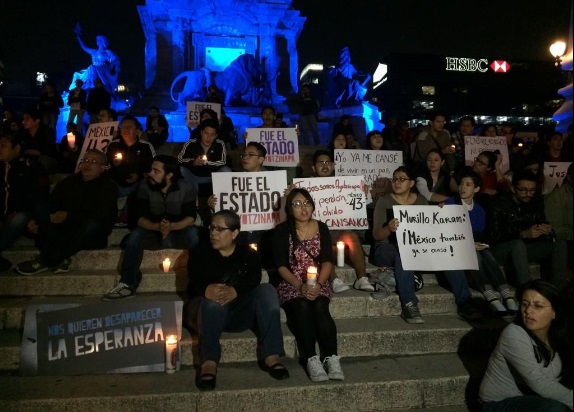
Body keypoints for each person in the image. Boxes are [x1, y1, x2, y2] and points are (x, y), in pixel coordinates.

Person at [185, 210, 289, 391]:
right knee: (212, 301)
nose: (213, 233)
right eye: (211, 228)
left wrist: (235, 291)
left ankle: (271, 354)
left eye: (219, 229)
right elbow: (194, 278)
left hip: (239, 313)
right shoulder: (200, 252)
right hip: (209, 313)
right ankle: (209, 362)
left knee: (267, 290)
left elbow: (255, 277)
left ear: (234, 233)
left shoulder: (247, 253)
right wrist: (206, 289)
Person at [372, 166, 481, 323]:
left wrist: (440, 213)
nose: (397, 182)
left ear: (411, 184)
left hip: (418, 247)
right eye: (395, 179)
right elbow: (376, 235)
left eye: (402, 179)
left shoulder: (421, 200)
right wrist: (389, 228)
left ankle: (465, 301)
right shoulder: (384, 201)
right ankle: (409, 304)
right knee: (404, 255)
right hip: (387, 249)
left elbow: (429, 227)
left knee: (448, 253)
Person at [102, 155, 199, 300]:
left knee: (194, 233)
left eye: (156, 171)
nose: (151, 174)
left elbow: (190, 218)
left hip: (178, 232)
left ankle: (198, 283)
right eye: (151, 170)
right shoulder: (145, 185)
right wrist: (157, 226)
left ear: (169, 175)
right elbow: (140, 219)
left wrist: (171, 226)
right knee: (135, 235)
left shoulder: (185, 187)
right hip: (153, 233)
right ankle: (127, 283)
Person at [273, 188, 344, 382]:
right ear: (289, 209)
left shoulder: (322, 227)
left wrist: (319, 284)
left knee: (320, 305)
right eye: (296, 204)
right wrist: (299, 286)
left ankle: (331, 357)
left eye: (306, 203)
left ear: (312, 205)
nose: (302, 208)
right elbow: (280, 265)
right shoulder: (282, 230)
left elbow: (327, 261)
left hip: (318, 281)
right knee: (302, 307)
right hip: (291, 282)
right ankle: (311, 358)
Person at [15, 149, 117, 275]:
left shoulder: (108, 187)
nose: (87, 164)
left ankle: (46, 260)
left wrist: (69, 216)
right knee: (41, 208)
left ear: (102, 168)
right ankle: (62, 258)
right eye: (85, 160)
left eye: (93, 162)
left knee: (92, 225)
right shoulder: (68, 183)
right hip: (62, 229)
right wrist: (38, 220)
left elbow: (103, 216)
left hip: (86, 232)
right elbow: (52, 203)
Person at [479, 279, 572, 411]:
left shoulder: (558, 336)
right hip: (498, 404)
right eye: (524, 304)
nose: (528, 311)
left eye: (538, 306)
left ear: (554, 312)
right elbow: (539, 383)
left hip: (535, 398)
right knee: (554, 409)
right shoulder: (513, 334)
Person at [444, 170, 518, 316]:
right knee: (475, 254)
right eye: (461, 184)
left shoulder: (479, 210)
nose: (462, 187)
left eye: (468, 184)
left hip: (472, 245)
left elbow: (478, 234)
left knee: (486, 252)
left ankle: (506, 293)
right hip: (455, 248)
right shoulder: (449, 204)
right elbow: (445, 235)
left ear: (476, 189)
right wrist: (468, 244)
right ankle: (489, 294)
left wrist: (475, 243)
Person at [486, 170, 568, 291]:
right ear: (513, 189)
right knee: (517, 245)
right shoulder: (498, 203)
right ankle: (527, 290)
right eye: (523, 190)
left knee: (559, 243)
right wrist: (522, 234)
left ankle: (559, 292)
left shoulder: (536, 202)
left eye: (532, 190)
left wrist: (546, 228)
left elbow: (541, 220)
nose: (528, 194)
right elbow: (494, 235)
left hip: (525, 249)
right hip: (501, 249)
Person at [310, 149, 372, 292]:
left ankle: (362, 278)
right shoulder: (305, 187)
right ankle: (334, 280)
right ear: (314, 167)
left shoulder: (346, 185)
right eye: (320, 163)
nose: (325, 166)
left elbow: (358, 210)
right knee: (319, 240)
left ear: (333, 166)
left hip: (340, 235)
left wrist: (364, 195)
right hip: (319, 237)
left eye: (328, 163)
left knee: (352, 236)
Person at [0, 134, 48, 272]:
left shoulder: (30, 166)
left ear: (16, 149)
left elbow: (39, 194)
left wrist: (24, 212)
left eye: (3, 145)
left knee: (20, 218)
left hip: (23, 215)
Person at [178, 118, 231, 201]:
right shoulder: (191, 143)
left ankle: (221, 202)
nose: (208, 137)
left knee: (226, 170)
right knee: (181, 169)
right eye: (206, 133)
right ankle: (193, 203)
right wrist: (193, 162)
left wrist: (206, 163)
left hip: (212, 176)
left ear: (216, 136)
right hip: (194, 175)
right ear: (201, 132)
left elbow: (223, 161)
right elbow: (180, 159)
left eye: (212, 135)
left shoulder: (220, 144)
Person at [105, 115, 155, 198]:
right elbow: (104, 165)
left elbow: (152, 167)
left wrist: (139, 175)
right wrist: (113, 165)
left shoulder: (146, 146)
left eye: (129, 127)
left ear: (137, 131)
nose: (126, 129)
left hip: (138, 183)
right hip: (115, 183)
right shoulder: (113, 145)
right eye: (123, 127)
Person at [70, 23, 120, 95]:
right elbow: (84, 47)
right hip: (95, 68)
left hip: (104, 69)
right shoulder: (94, 52)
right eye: (97, 40)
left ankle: (95, 86)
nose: (97, 41)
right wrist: (79, 37)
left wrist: (112, 67)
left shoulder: (108, 52)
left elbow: (115, 60)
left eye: (98, 40)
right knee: (79, 73)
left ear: (102, 42)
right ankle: (90, 87)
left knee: (92, 67)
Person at [17, 108, 58, 174]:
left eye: (27, 118)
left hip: (46, 159)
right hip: (29, 158)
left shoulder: (47, 132)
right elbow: (16, 145)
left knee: (43, 161)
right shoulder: (22, 131)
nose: (23, 121)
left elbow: (45, 151)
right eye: (23, 118)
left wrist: (26, 151)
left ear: (37, 121)